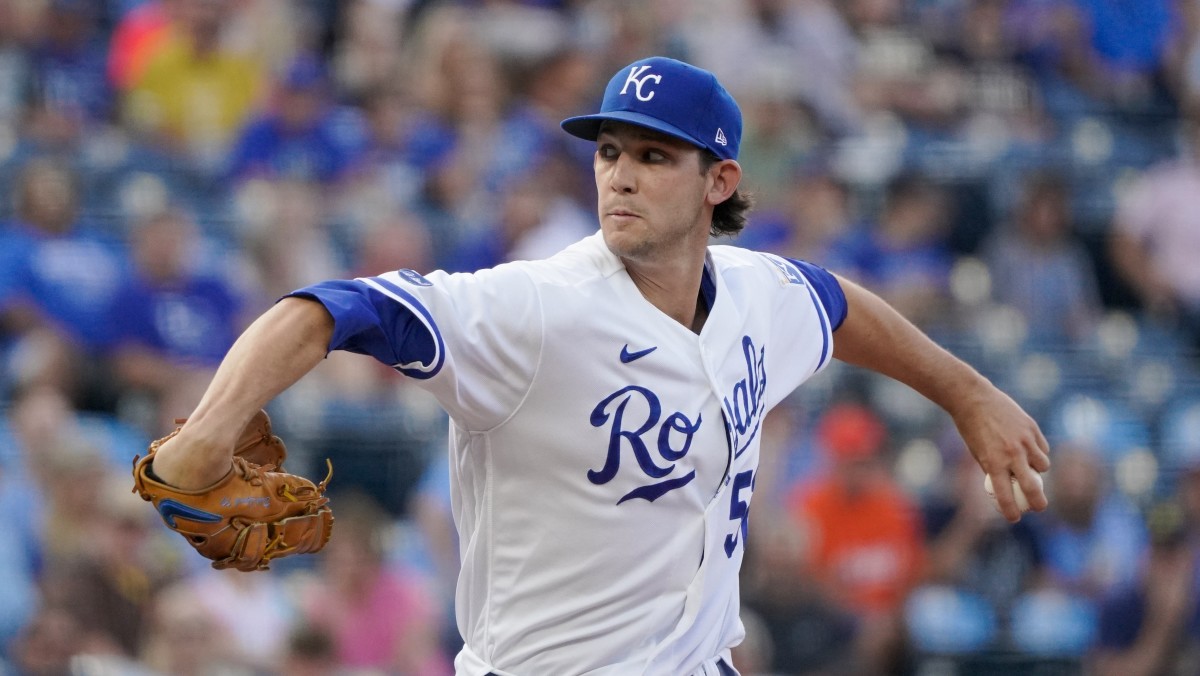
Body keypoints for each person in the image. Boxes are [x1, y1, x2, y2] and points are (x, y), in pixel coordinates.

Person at [143, 56, 1051, 675]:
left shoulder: (759, 295)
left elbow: (840, 307)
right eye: (609, 151)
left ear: (719, 182)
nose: (618, 174)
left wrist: (967, 395)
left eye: (653, 156)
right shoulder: (535, 308)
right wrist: (212, 432)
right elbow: (331, 309)